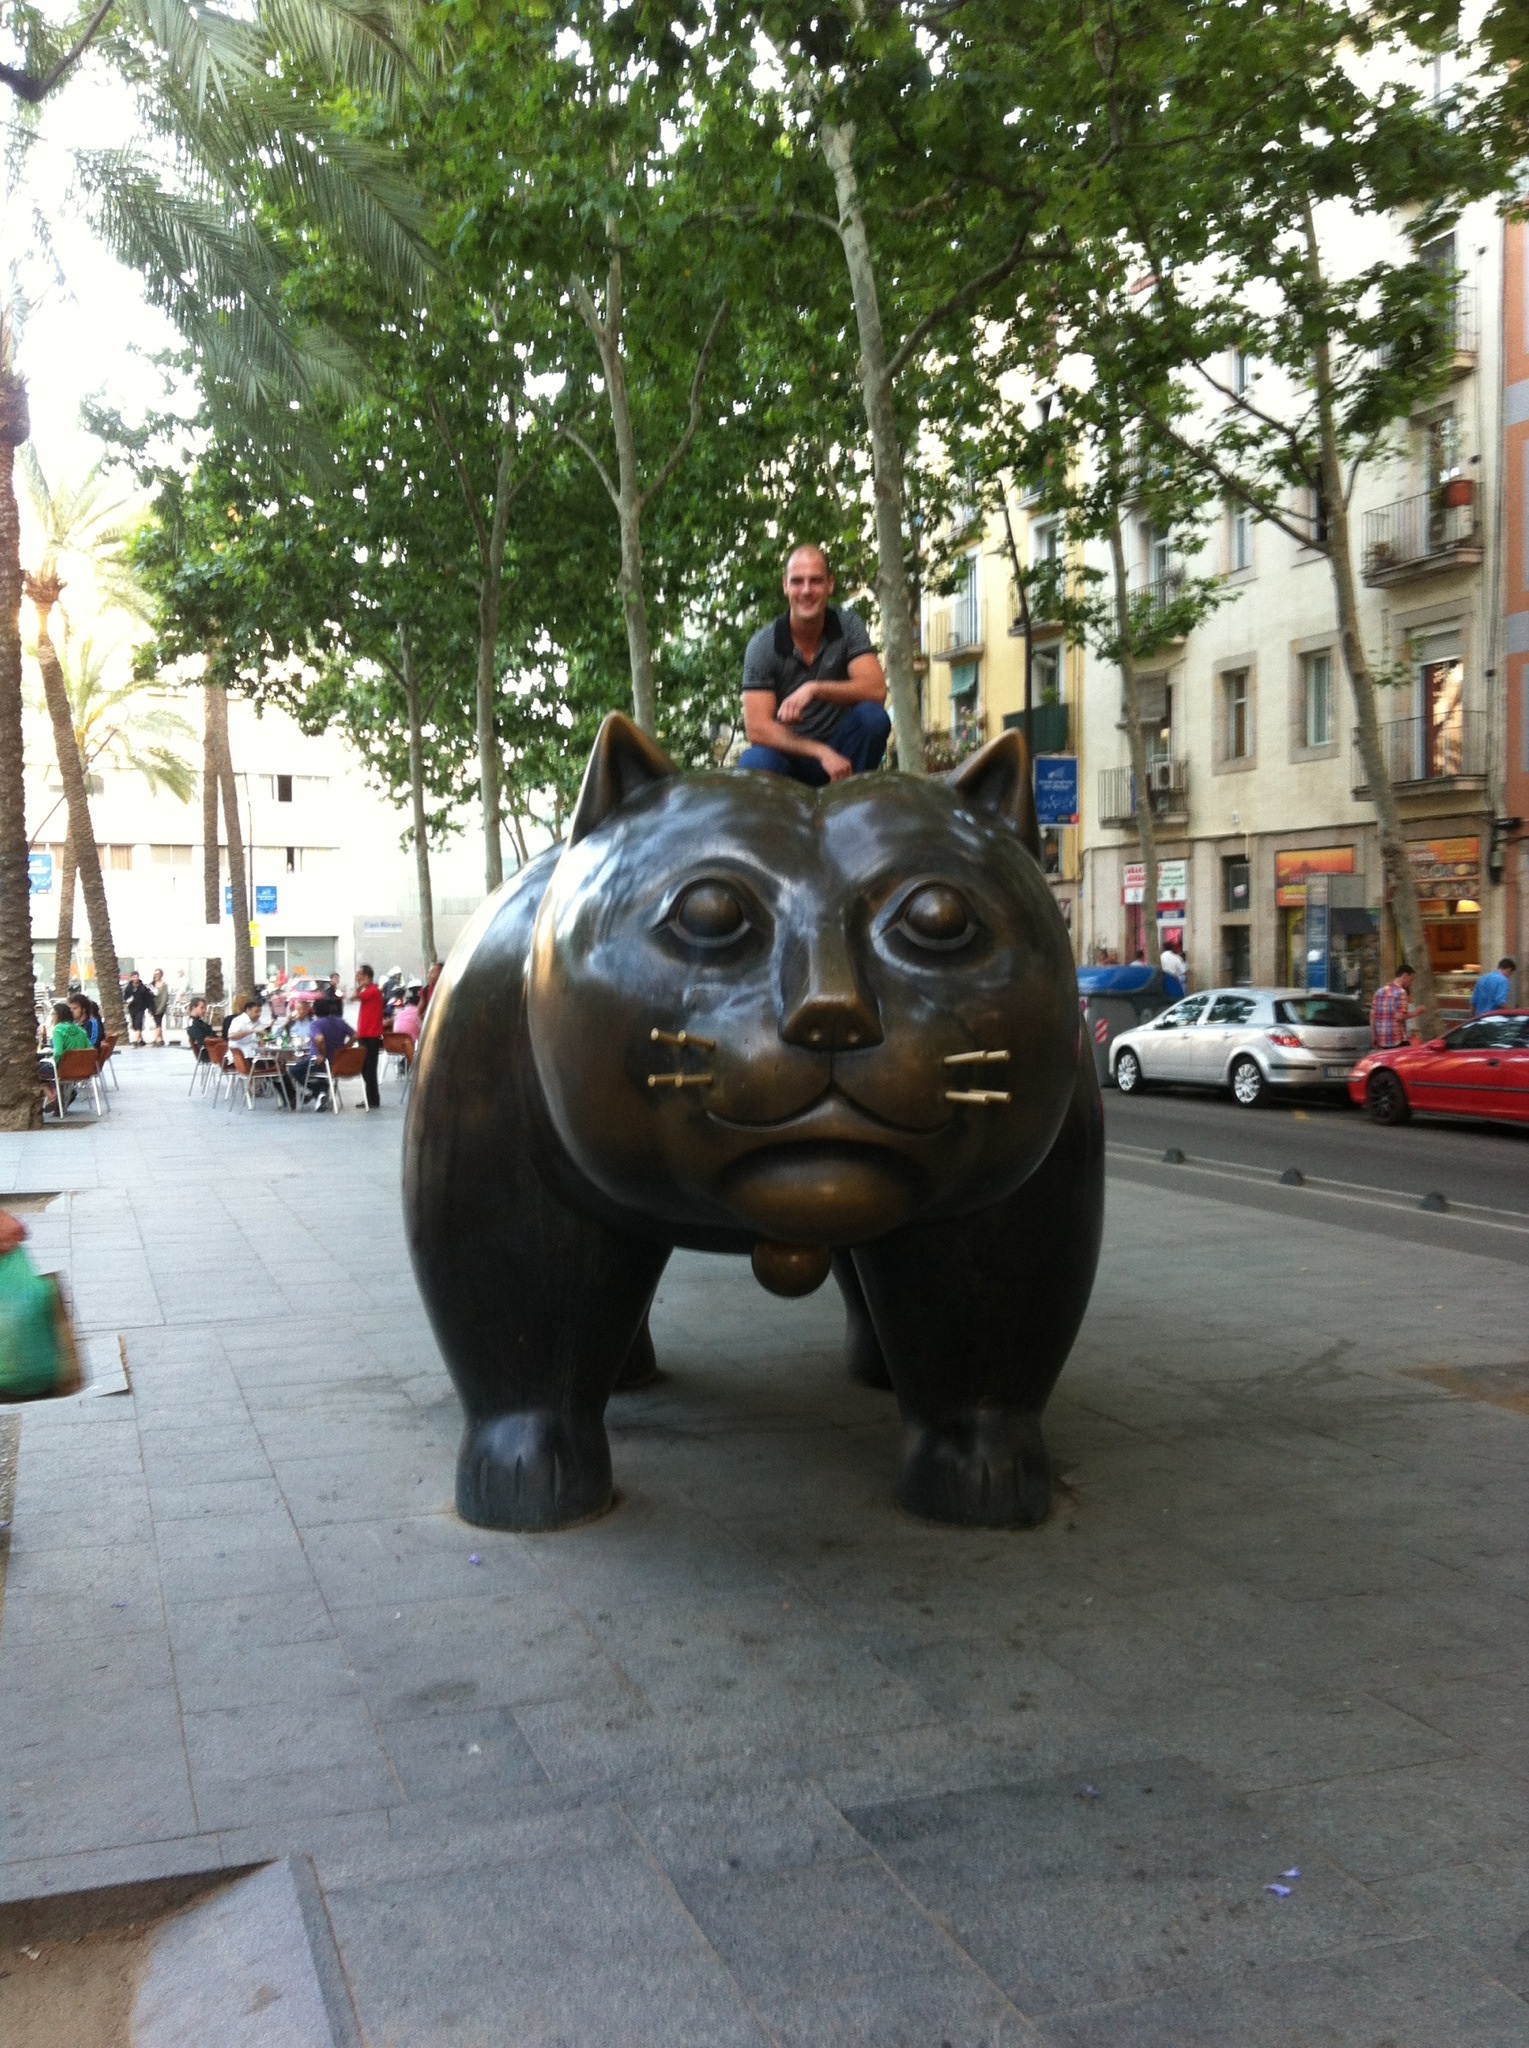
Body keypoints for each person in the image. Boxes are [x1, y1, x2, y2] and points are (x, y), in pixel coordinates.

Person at [738, 544, 891, 785]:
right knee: (754, 761)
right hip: (789, 757)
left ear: (830, 584)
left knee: (873, 718)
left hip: (844, 755)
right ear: (785, 586)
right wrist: (821, 752)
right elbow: (757, 729)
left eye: (816, 581)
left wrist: (815, 689)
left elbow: (876, 690)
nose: (806, 590)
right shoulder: (763, 645)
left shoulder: (847, 626)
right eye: (797, 581)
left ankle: (850, 795)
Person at [40, 1001, 91, 1111]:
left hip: (64, 1070)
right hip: (83, 1069)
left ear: (58, 1015)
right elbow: (90, 1049)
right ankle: (64, 1096)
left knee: (35, 1070)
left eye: (52, 1014)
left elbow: (58, 1052)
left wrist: (53, 1062)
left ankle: (52, 1096)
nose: (51, 1017)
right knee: (48, 1069)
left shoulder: (58, 1030)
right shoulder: (81, 1030)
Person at [353, 964, 385, 1110]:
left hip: (370, 1036)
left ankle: (373, 1099)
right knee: (366, 1067)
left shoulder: (372, 991)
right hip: (366, 1034)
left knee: (369, 1068)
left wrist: (360, 986)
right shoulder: (371, 991)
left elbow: (353, 997)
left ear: (366, 976)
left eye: (359, 974)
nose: (357, 977)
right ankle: (370, 1098)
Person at [1371, 961, 1415, 1049]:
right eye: (1411, 979)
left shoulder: (1379, 991)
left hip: (1382, 1039)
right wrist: (1416, 1012)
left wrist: (1374, 1035)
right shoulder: (1401, 992)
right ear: (1405, 976)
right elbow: (1399, 1017)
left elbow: (1372, 1015)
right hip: (1396, 1038)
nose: (1411, 983)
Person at [123, 971, 156, 1046]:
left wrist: (150, 1008)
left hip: (141, 1008)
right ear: (131, 978)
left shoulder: (143, 987)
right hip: (132, 1008)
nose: (135, 978)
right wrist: (128, 1001)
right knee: (134, 1023)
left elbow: (148, 998)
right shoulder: (129, 987)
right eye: (134, 977)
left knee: (138, 1022)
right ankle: (140, 1040)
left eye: (137, 977)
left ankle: (135, 1040)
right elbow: (125, 997)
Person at [184, 997, 214, 1061]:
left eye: (205, 1008)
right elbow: (201, 1040)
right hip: (208, 1053)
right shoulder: (193, 1024)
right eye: (202, 1008)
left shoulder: (197, 1022)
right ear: (193, 1008)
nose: (204, 1010)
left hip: (208, 1051)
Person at [149, 969, 170, 1046]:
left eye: (158, 974)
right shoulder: (152, 985)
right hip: (153, 1006)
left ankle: (157, 1039)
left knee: (158, 1022)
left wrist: (160, 1008)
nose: (156, 975)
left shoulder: (164, 985)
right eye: (155, 974)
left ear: (161, 975)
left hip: (160, 1007)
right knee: (157, 1022)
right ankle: (160, 1038)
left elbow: (165, 997)